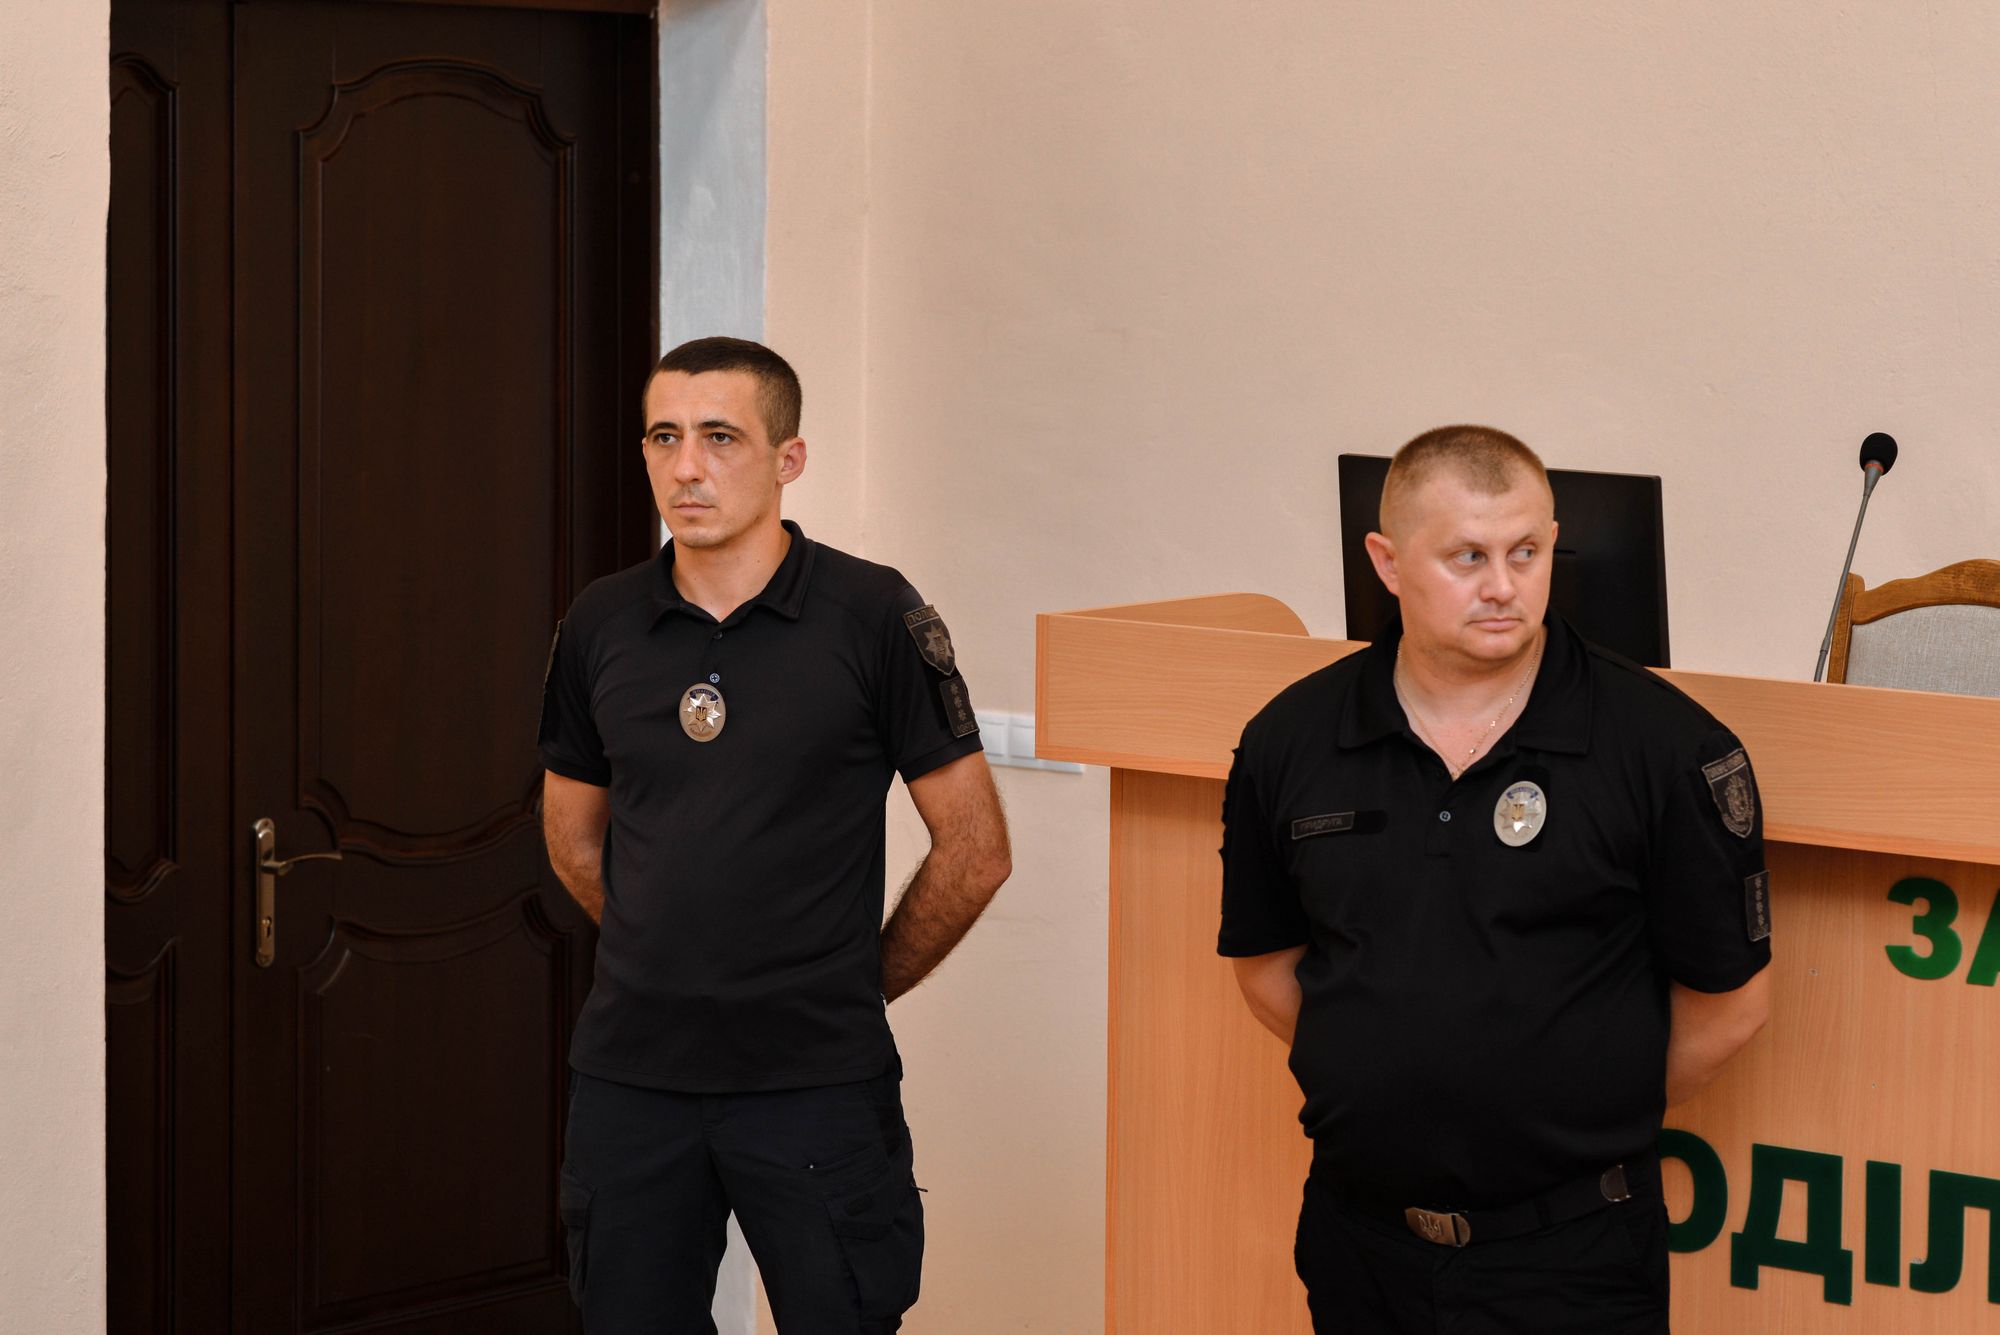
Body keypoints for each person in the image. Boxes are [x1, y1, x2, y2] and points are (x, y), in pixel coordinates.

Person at [1218, 425, 1772, 1334]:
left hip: (1575, 1254)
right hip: (1360, 1243)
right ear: (1387, 563)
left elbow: (1731, 1006)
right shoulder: (1291, 738)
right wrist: (1394, 1071)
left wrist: (1562, 1106)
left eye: (1526, 552)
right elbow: (1267, 965)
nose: (1504, 586)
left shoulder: (1668, 748)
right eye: (1467, 556)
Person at [539, 336, 1012, 1334]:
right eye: (663, 437)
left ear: (788, 458)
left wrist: (855, 983)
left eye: (720, 437)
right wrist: (661, 951)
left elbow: (974, 849)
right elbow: (573, 839)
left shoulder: (872, 615)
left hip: (814, 1079)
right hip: (633, 1077)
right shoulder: (601, 622)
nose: (686, 467)